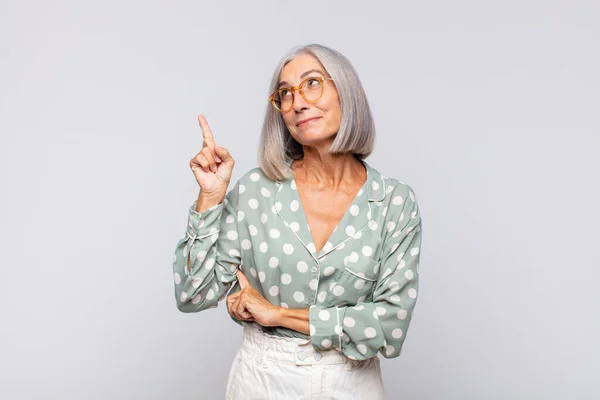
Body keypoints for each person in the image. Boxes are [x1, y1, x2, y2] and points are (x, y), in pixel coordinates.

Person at [172, 43, 423, 399]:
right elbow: (192, 294)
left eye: (312, 83)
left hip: (351, 384)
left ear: (346, 92)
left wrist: (278, 314)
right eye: (285, 94)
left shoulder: (394, 203)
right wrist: (210, 197)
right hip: (262, 382)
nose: (298, 102)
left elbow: (390, 325)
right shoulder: (256, 192)